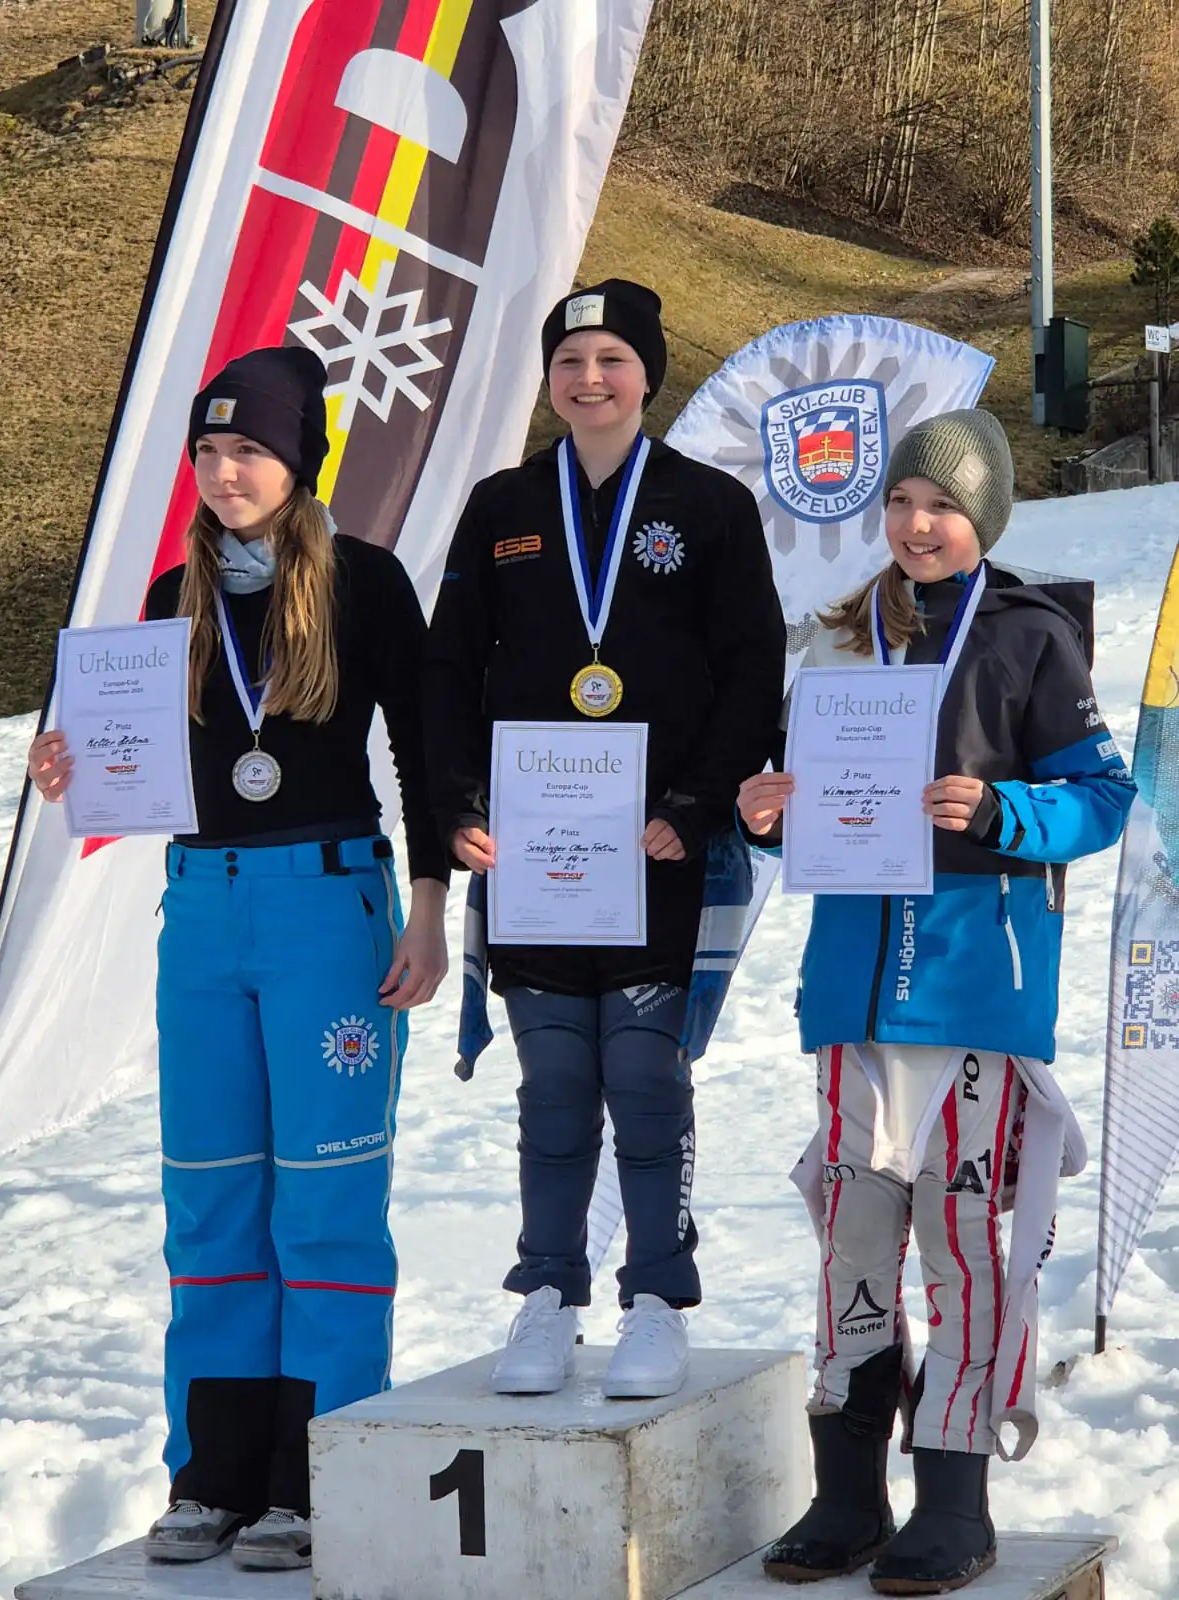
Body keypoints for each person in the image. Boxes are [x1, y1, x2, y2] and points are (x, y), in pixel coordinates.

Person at [28, 347, 449, 1571]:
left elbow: (423, 755)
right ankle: (211, 1474)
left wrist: (429, 906)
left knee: (322, 1202)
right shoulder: (174, 596)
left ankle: (313, 1475)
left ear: (298, 458)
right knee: (212, 1201)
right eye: (208, 454)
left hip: (328, 906)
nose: (223, 473)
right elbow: (137, 758)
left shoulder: (365, 584)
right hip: (202, 914)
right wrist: (71, 767)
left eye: (247, 451)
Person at [737, 409, 1134, 1593]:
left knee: (966, 1252)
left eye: (944, 505)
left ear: (984, 519)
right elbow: (814, 808)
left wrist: (1006, 812)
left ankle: (954, 1497)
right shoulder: (842, 637)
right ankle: (847, 1493)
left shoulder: (1031, 636)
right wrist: (771, 811)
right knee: (852, 1244)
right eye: (904, 501)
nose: (918, 523)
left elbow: (1102, 800)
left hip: (973, 994)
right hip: (853, 1001)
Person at [422, 278, 787, 1401]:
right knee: (554, 1085)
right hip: (535, 856)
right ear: (550, 380)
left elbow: (751, 671)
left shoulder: (710, 507)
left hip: (656, 851)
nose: (590, 380)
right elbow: (446, 672)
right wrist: (458, 805)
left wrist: (691, 802)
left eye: (612, 361)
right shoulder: (499, 509)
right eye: (571, 363)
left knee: (644, 1077)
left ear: (648, 374)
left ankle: (657, 1298)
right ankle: (544, 1295)